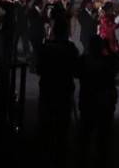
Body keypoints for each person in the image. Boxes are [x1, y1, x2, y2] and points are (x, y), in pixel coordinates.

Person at [36, 17, 79, 165]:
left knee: (46, 126)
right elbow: (76, 70)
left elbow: (38, 68)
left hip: (48, 89)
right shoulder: (70, 49)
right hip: (64, 91)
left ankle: (44, 154)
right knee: (62, 128)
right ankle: (59, 156)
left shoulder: (46, 48)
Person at [77, 35, 119, 162]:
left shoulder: (84, 60)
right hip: (103, 103)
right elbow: (118, 64)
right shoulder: (107, 61)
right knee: (103, 136)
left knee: (86, 134)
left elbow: (75, 71)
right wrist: (110, 50)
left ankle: (83, 158)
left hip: (88, 101)